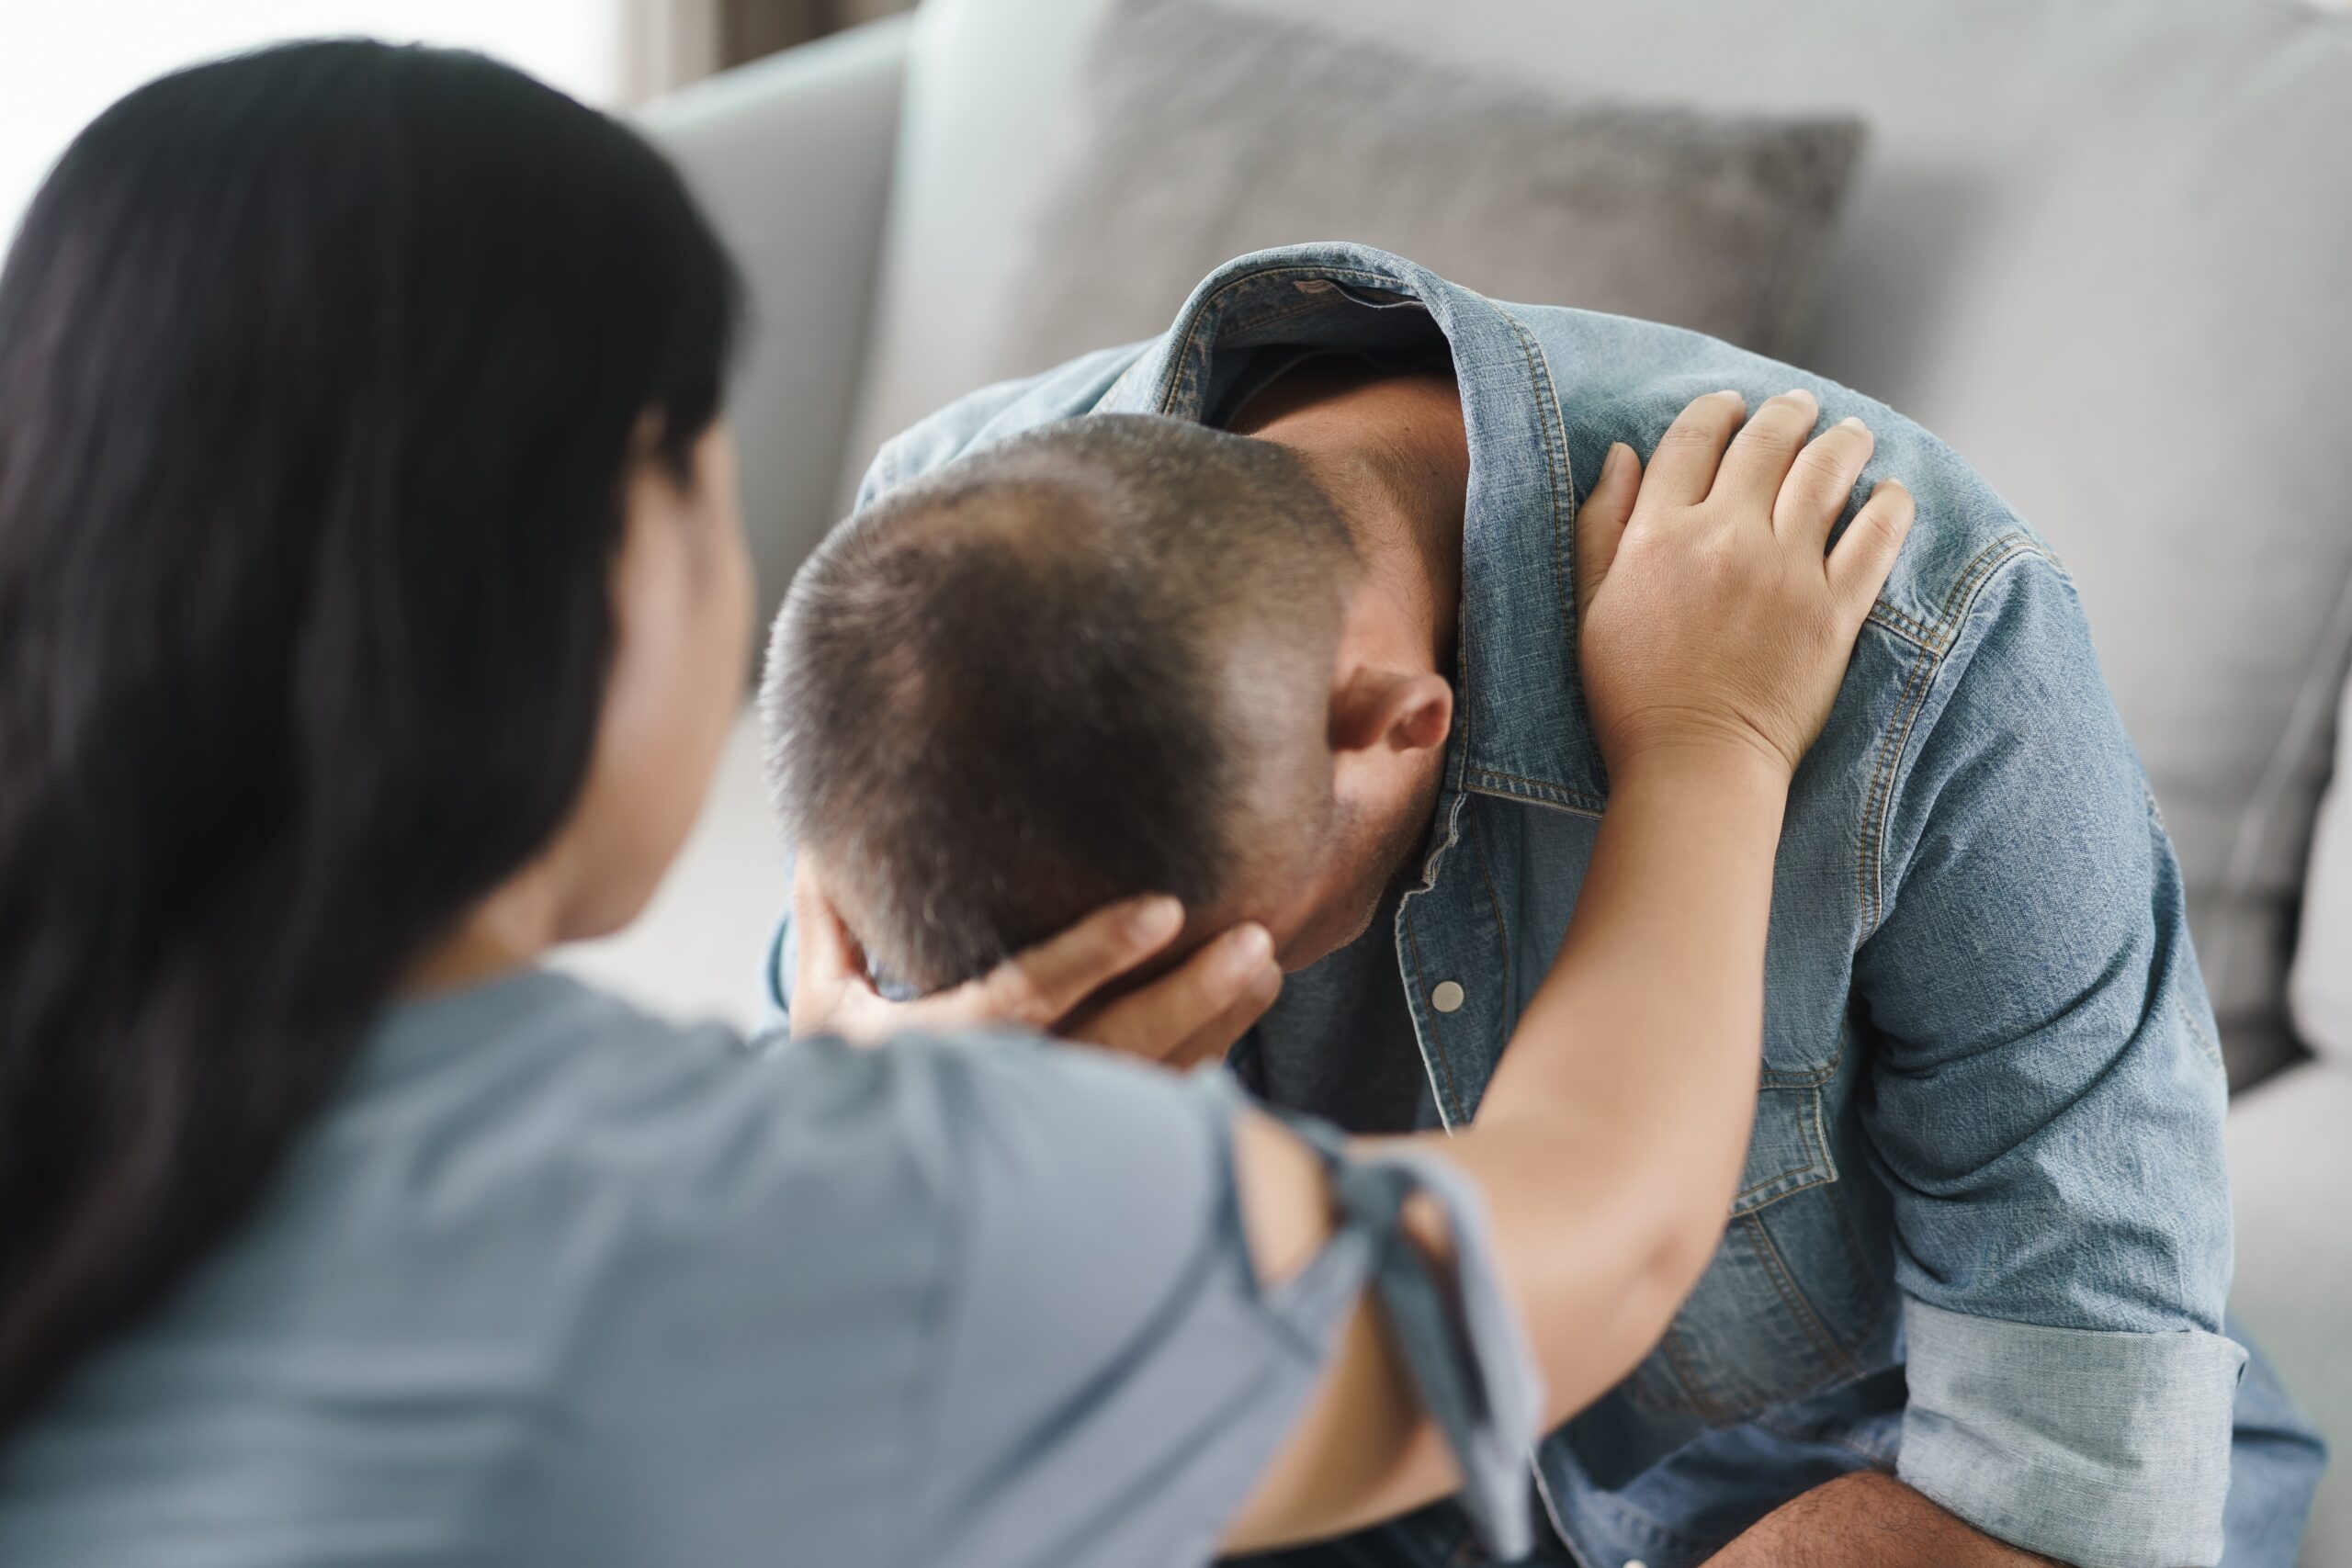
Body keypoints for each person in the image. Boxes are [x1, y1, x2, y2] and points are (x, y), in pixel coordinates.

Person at [0, 42, 1912, 1568]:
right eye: (707, 488)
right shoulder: (861, 1225)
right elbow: (1598, 1234)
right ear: (605, 559)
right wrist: (1709, 739)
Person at [762, 244, 2330, 1566]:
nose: (1160, 1017)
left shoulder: (1913, 632)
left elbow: (2081, 1457)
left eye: (1215, 968)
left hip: (1842, 1471)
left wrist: (1710, 749)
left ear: (1394, 728)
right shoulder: (927, 614)